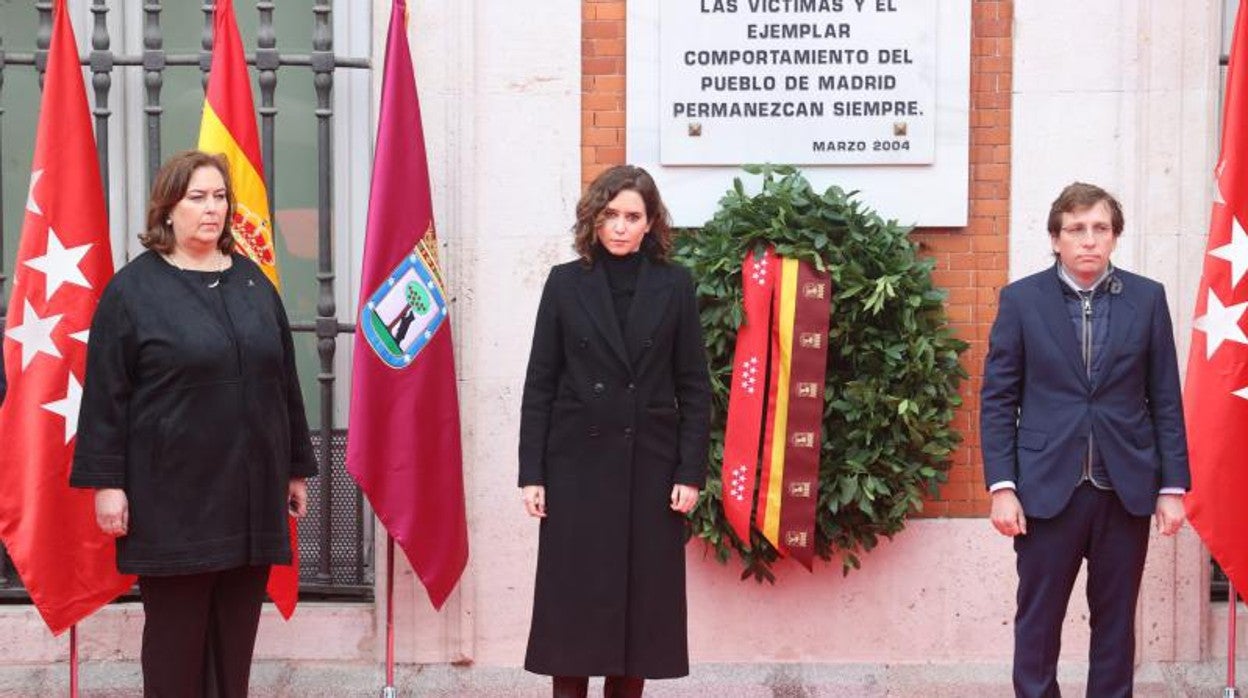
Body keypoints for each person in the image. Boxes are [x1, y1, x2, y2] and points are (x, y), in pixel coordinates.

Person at [70, 150, 316, 697]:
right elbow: (107, 396)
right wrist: (107, 485)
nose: (212, 209)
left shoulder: (253, 284)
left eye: (220, 197)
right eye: (197, 197)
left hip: (249, 498)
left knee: (234, 647)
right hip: (172, 503)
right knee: (175, 648)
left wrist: (295, 467)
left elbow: (283, 382)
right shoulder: (132, 292)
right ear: (168, 209)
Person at [980, 182, 1190, 697]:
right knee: (1037, 623)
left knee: (1116, 624)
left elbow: (1165, 397)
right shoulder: (1021, 301)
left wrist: (1172, 486)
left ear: (1115, 236)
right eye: (1076, 229)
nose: (1089, 240)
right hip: (1047, 490)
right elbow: (998, 400)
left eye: (1100, 228)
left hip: (1126, 488)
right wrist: (1002, 485)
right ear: (1056, 238)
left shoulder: (1147, 298)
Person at [518, 165, 711, 698]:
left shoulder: (675, 285)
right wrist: (531, 473)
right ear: (594, 220)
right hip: (575, 470)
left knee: (641, 617)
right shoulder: (565, 282)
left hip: (650, 471)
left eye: (633, 217)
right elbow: (540, 382)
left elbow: (694, 385)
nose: (621, 227)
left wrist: (689, 471)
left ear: (651, 223)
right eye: (611, 216)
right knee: (573, 613)